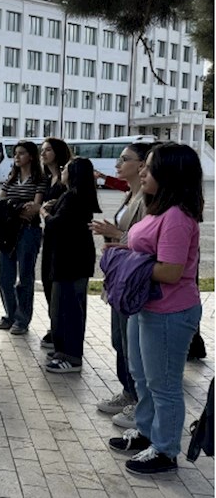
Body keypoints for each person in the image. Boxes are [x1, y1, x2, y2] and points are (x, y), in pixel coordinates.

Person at [107, 142, 203, 475]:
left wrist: (130, 264)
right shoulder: (158, 209)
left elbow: (171, 271)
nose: (143, 171)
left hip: (169, 312)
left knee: (164, 384)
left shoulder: (176, 217)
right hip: (146, 307)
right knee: (143, 377)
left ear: (170, 173)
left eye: (150, 166)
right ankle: (147, 431)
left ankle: (164, 449)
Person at [90, 142, 151, 428]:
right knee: (119, 340)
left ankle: (137, 399)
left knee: (131, 344)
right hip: (119, 274)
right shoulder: (131, 194)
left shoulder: (149, 199)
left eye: (124, 159)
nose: (117, 163)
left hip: (131, 278)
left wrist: (116, 234)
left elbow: (147, 244)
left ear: (141, 165)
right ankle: (128, 392)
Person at [42, 158, 101, 373]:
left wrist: (45, 213)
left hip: (71, 260)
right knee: (62, 307)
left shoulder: (74, 196)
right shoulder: (73, 196)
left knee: (68, 309)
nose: (62, 170)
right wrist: (54, 206)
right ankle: (62, 350)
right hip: (71, 259)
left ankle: (71, 356)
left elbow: (56, 224)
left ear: (74, 173)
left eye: (66, 168)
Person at [0, 140, 46, 334]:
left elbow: (34, 209)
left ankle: (22, 320)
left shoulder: (39, 179)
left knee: (25, 276)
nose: (17, 157)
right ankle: (10, 314)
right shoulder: (11, 178)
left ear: (31, 156)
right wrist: (17, 208)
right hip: (8, 231)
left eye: (21, 153)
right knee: (4, 275)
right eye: (15, 153)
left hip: (28, 231)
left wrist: (11, 205)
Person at [38, 138, 73, 349]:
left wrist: (45, 209)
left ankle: (59, 329)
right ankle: (54, 325)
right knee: (47, 281)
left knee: (57, 283)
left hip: (60, 235)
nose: (43, 153)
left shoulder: (64, 179)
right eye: (42, 150)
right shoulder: (47, 178)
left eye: (48, 150)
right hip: (49, 235)